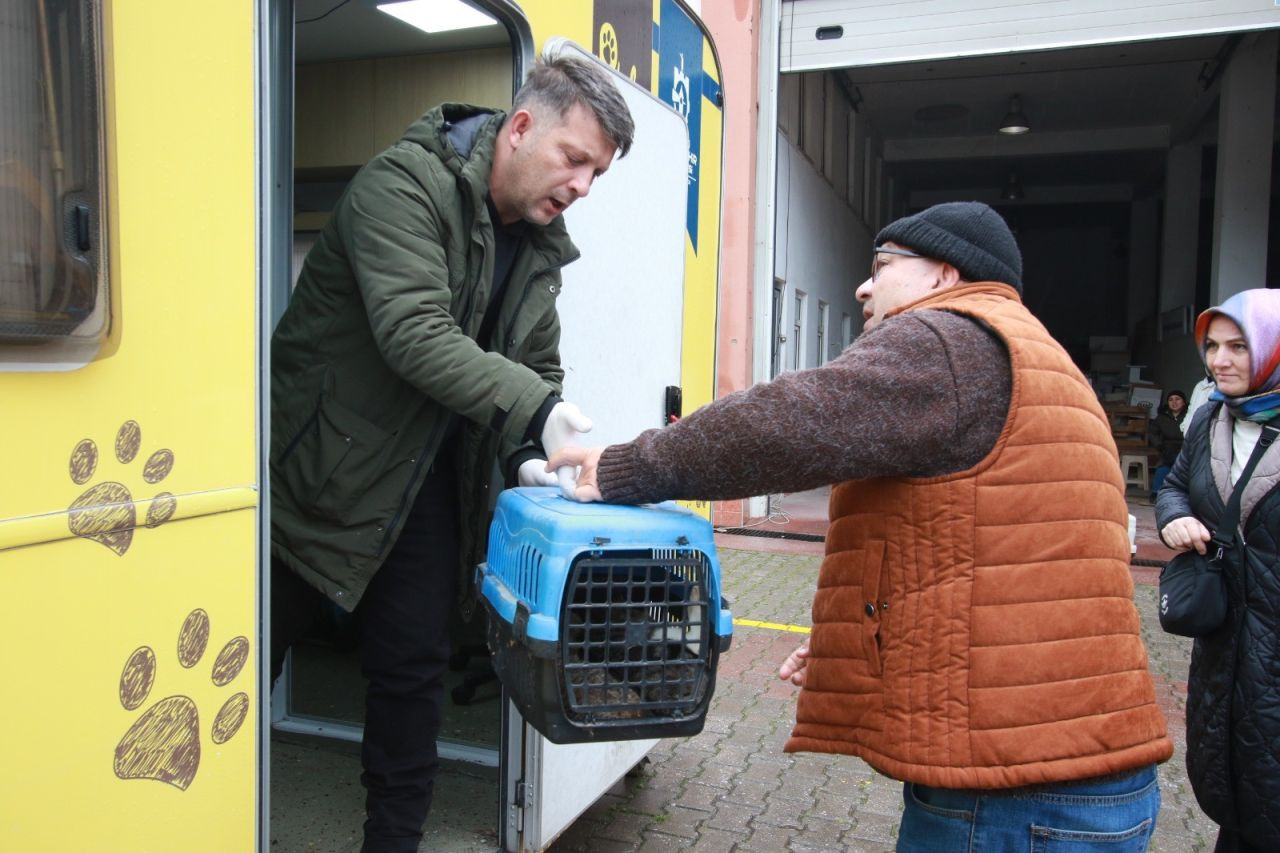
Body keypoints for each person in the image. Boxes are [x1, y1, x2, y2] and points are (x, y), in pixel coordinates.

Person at [550, 201, 1172, 851]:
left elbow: (791, 424)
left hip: (1012, 793)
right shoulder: (1041, 363)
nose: (864, 285)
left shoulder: (950, 339)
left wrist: (627, 467)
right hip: (1082, 774)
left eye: (883, 266)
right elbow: (1009, 560)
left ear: (942, 275)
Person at [269, 53, 633, 853]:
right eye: (575, 160)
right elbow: (414, 333)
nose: (580, 186)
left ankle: (392, 842)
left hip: (429, 488)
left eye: (596, 174)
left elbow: (538, 368)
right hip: (320, 475)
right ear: (522, 125)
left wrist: (522, 461)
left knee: (413, 675)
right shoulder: (404, 185)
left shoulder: (540, 247)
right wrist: (537, 413)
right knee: (246, 654)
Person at [1155, 289, 1280, 852]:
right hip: (1225, 644)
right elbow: (1176, 486)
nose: (1220, 360)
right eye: (1212, 346)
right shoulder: (1210, 419)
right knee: (1235, 785)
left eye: (1239, 346)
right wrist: (1175, 518)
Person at [1148, 388, 1187, 498]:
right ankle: (1156, 492)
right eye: (1170, 400)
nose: (1174, 402)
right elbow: (1152, 432)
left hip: (1185, 447)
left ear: (1183, 402)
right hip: (1167, 447)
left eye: (1177, 399)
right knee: (1164, 466)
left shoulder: (1189, 415)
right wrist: (1159, 445)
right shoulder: (1162, 417)